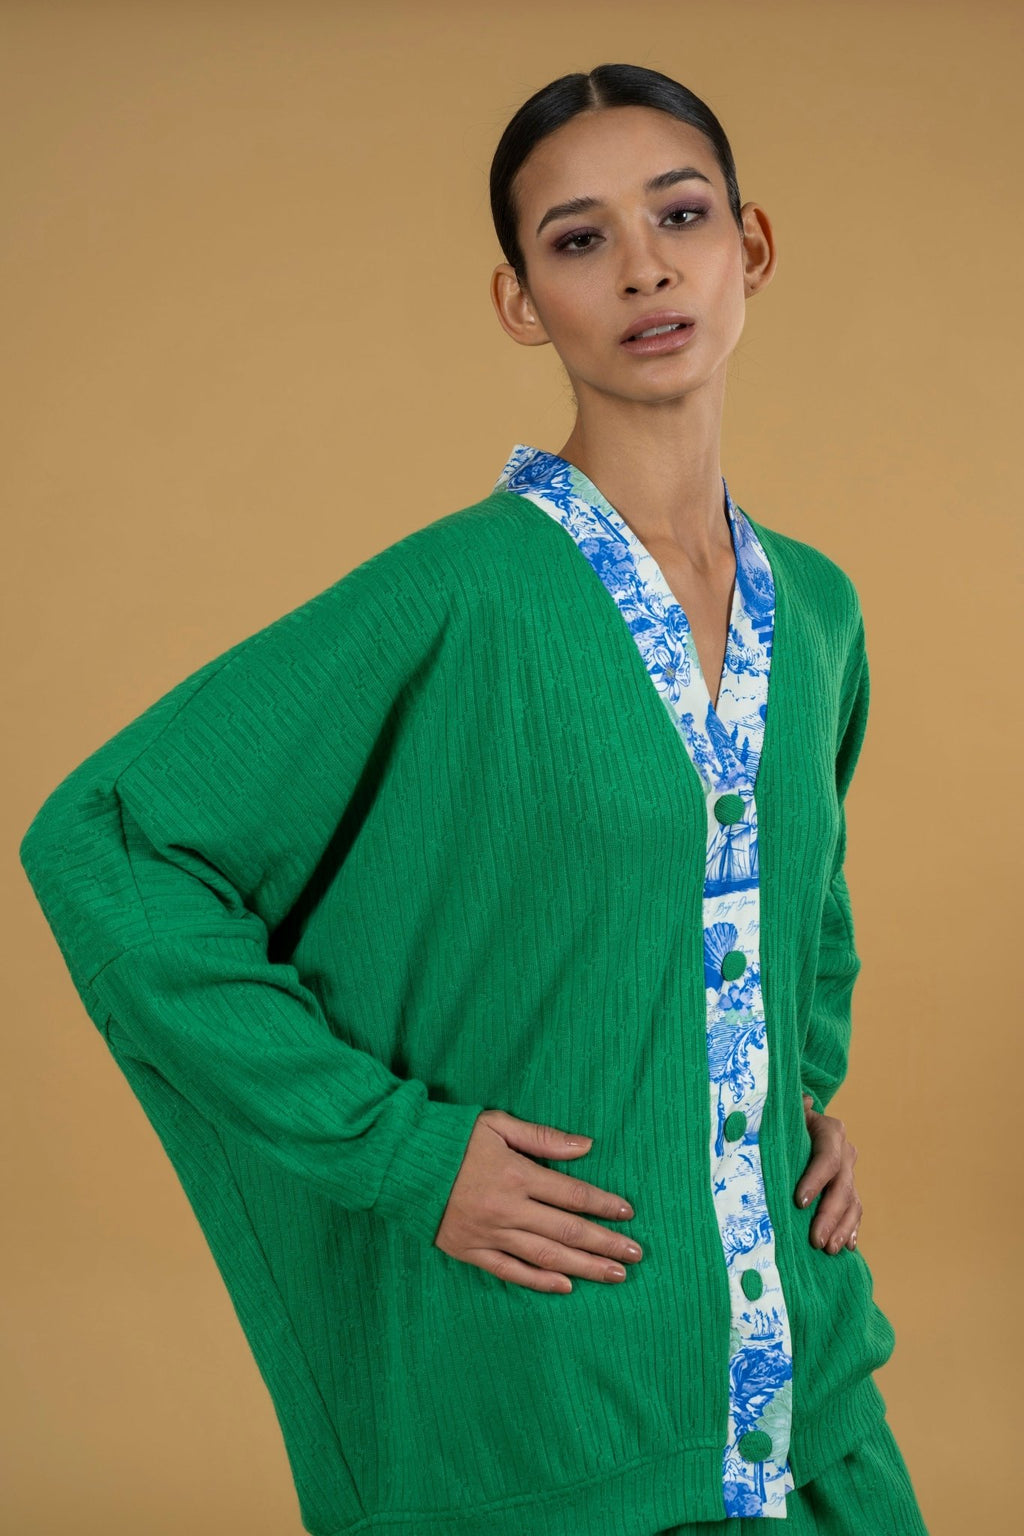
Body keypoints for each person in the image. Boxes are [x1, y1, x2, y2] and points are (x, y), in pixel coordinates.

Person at [18, 62, 929, 1536]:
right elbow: (108, 843)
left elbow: (805, 904)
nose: (643, 268)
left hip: (805, 1388)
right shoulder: (460, 594)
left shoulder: (818, 613)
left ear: (749, 244)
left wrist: (797, 1097)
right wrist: (403, 1151)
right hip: (549, 1399)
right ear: (521, 301)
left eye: (679, 215)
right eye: (578, 239)